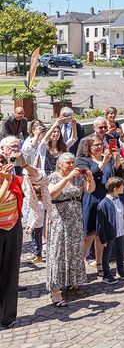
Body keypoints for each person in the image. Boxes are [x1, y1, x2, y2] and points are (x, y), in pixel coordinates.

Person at [0, 140, 45, 328]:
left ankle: (7, 316)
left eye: (3, 162)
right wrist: (6, 182)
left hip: (13, 227)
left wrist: (25, 164)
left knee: (11, 272)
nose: (3, 165)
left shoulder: (15, 178)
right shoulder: (9, 180)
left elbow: (40, 178)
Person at [46, 152, 94, 305]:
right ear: (60, 164)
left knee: (74, 249)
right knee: (59, 251)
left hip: (75, 218)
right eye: (68, 163)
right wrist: (66, 179)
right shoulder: (53, 177)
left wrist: (89, 178)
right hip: (60, 219)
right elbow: (52, 193)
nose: (72, 165)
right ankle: (55, 291)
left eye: (73, 162)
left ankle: (72, 280)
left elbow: (90, 189)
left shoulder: (77, 177)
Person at [75, 134, 124, 276]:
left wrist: (116, 159)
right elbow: (90, 176)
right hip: (91, 198)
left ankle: (100, 264)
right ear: (88, 147)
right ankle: (79, 266)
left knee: (101, 235)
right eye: (95, 145)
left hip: (105, 198)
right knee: (89, 234)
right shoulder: (83, 160)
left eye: (100, 144)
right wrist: (102, 163)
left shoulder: (106, 157)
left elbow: (115, 175)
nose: (99, 147)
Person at [96, 177, 124, 285]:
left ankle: (120, 270)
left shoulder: (120, 199)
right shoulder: (103, 204)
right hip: (110, 233)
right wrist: (103, 238)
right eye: (121, 186)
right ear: (115, 188)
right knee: (107, 254)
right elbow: (100, 224)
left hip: (121, 232)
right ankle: (107, 274)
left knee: (120, 252)